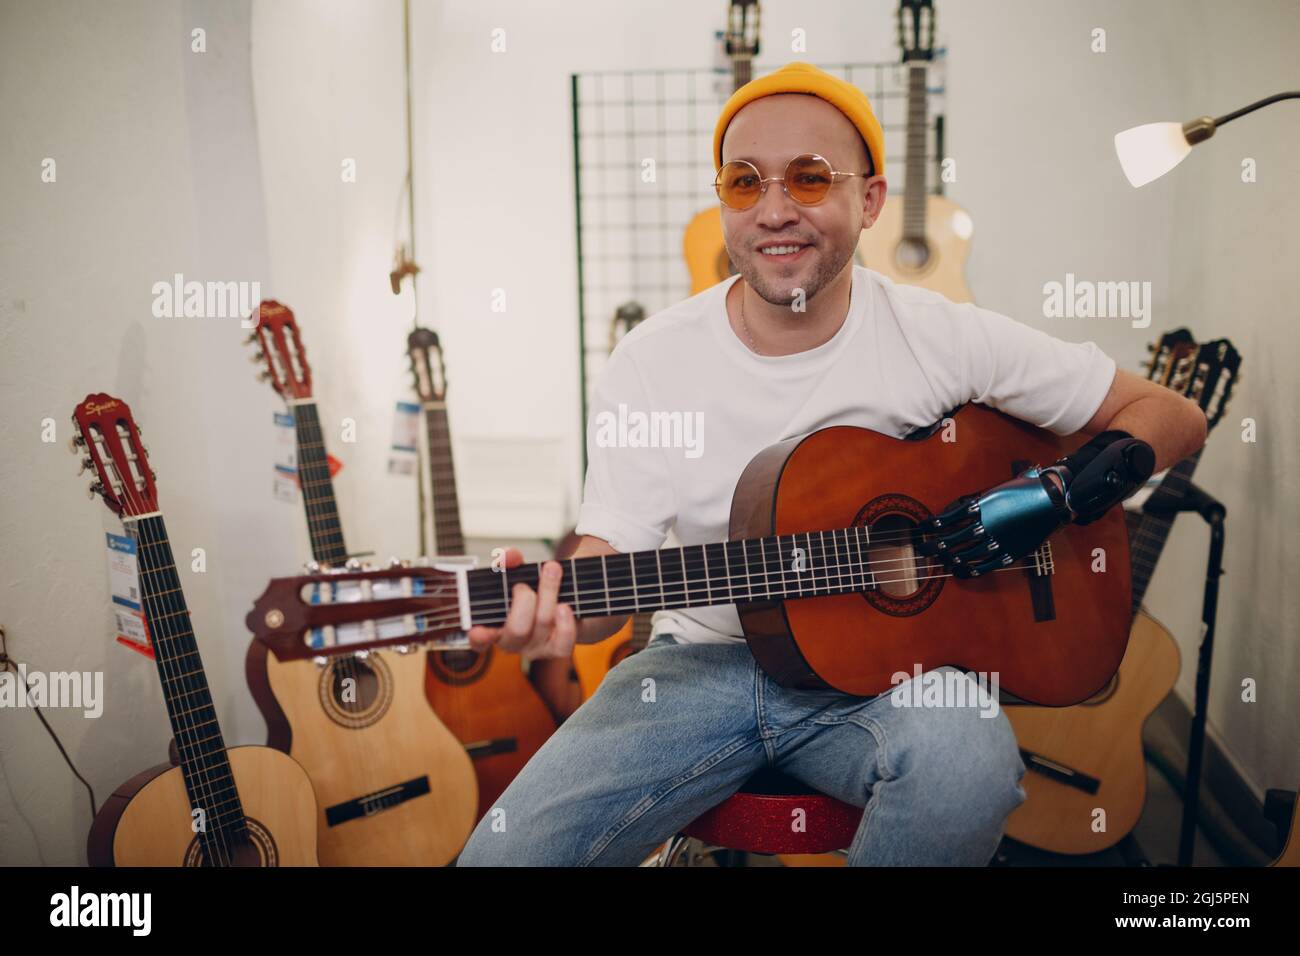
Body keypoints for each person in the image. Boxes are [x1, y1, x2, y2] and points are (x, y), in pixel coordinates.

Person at [457, 62, 1208, 866]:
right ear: (723, 204)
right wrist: (548, 620)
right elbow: (608, 568)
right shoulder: (652, 362)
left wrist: (1048, 498)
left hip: (895, 675)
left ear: (871, 199)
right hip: (699, 663)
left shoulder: (941, 335)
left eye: (809, 178)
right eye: (744, 183)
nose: (775, 210)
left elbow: (1173, 416)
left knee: (969, 765)